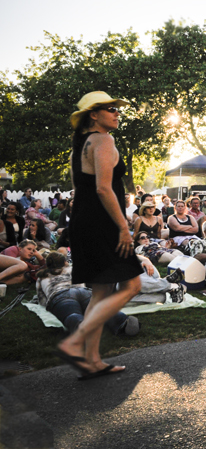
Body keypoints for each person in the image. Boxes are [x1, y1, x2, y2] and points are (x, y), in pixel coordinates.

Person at [56, 91, 143, 380]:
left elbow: (78, 191)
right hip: (103, 222)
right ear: (94, 114)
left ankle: (91, 360)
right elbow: (104, 189)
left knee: (102, 290)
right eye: (111, 109)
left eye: (118, 109)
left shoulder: (80, 144)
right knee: (132, 285)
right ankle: (76, 342)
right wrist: (122, 227)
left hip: (84, 221)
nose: (117, 113)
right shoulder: (104, 140)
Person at [36, 252, 139, 336]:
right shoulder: (72, 269)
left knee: (72, 314)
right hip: (84, 291)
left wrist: (50, 306)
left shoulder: (42, 277)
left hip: (61, 295)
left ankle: (80, 326)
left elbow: (42, 300)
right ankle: (122, 321)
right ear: (64, 262)